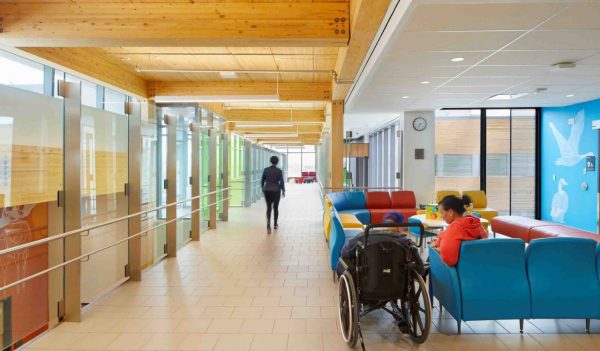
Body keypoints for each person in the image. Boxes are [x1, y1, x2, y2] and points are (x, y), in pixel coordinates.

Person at [430, 195, 487, 266]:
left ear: (450, 212)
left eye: (442, 213)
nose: (441, 216)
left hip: (460, 271)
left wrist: (438, 248)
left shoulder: (453, 229)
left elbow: (450, 261)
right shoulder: (476, 223)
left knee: (431, 249)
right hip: (480, 265)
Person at [262, 155, 285, 234]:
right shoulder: (279, 171)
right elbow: (281, 182)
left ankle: (268, 223)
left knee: (268, 208)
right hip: (276, 190)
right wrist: (283, 190)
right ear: (277, 162)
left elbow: (262, 180)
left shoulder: (266, 170)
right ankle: (275, 224)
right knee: (276, 207)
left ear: (270, 161)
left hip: (267, 190)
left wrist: (263, 188)